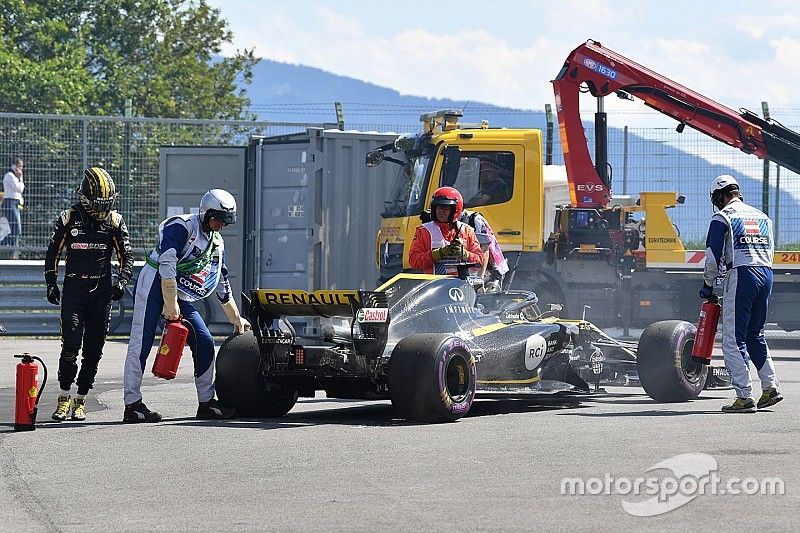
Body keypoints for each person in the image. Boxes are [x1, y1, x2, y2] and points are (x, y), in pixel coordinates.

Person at [122, 189, 251, 423]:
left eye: (224, 222)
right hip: (154, 285)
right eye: (217, 220)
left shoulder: (217, 243)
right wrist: (170, 304)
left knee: (204, 342)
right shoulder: (182, 227)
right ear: (205, 213)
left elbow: (221, 280)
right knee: (141, 341)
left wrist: (235, 317)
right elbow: (167, 263)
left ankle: (207, 402)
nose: (220, 225)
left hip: (179, 293)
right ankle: (132, 405)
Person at [45, 167, 133, 422]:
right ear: (85, 198)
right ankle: (63, 398)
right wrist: (51, 283)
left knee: (94, 349)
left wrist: (122, 282)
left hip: (101, 293)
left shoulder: (115, 221)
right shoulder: (68, 217)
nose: (102, 208)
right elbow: (53, 253)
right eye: (98, 203)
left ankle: (81, 399)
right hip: (74, 290)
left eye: (106, 203)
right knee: (71, 344)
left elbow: (127, 256)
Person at [701, 174, 782, 413]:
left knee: (733, 339)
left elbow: (713, 258)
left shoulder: (722, 217)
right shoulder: (763, 217)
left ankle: (744, 396)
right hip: (766, 274)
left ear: (719, 196)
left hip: (742, 276)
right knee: (756, 335)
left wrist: (708, 286)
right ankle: (770, 387)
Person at [408, 186, 484, 276]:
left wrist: (465, 255)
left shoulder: (467, 231)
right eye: (438, 207)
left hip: (461, 285)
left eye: (445, 208)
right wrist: (437, 254)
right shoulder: (423, 231)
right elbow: (413, 261)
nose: (441, 211)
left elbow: (480, 261)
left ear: (455, 210)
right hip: (435, 286)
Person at [459, 209, 509, 292]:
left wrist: (480, 279)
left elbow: (484, 249)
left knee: (484, 295)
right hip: (456, 271)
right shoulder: (433, 219)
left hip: (481, 269)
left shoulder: (474, 220)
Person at [0, 156, 24, 258]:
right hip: (9, 203)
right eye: (19, 166)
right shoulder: (9, 176)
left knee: (16, 230)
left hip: (15, 203)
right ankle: (5, 248)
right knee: (16, 229)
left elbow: (21, 188)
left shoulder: (16, 177)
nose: (21, 169)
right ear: (14, 166)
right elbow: (18, 188)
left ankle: (10, 252)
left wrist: (20, 177)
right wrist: (19, 178)